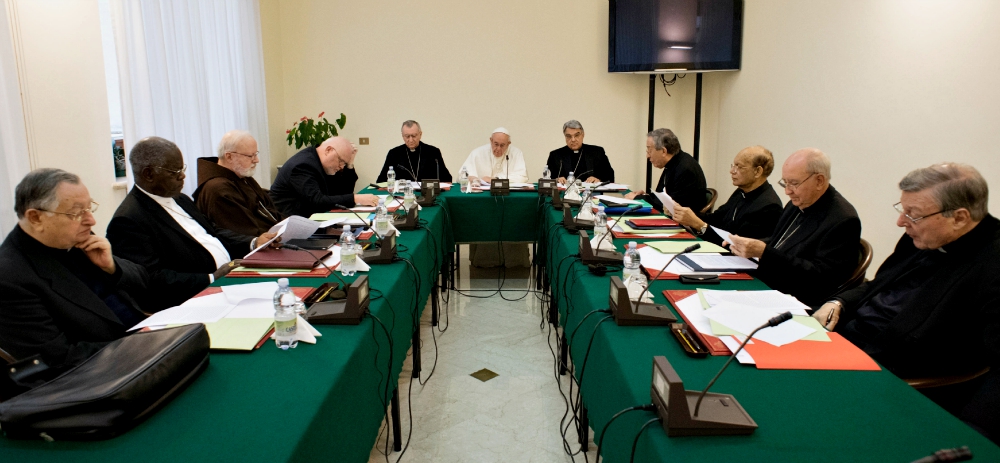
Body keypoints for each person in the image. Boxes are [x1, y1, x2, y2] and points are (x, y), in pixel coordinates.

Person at [812, 163, 1000, 443]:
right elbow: (878, 284)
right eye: (902, 209)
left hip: (891, 380)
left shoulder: (992, 265)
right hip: (841, 345)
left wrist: (974, 438)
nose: (901, 222)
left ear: (959, 218)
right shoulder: (923, 235)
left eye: (913, 214)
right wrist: (838, 301)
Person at [0, 169, 148, 397]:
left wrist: (112, 267)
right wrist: (141, 346)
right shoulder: (10, 277)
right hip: (105, 379)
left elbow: (145, 283)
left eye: (90, 207)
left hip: (144, 338)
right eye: (77, 213)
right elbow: (59, 359)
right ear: (35, 217)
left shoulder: (75, 238)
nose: (91, 220)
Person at [107, 137, 276, 313]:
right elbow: (151, 279)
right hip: (194, 299)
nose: (182, 176)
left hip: (228, 281)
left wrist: (254, 242)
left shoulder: (180, 198)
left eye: (182, 168)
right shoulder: (129, 220)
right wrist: (210, 278)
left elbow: (213, 232)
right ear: (148, 174)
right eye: (174, 171)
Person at [727, 148, 861, 305]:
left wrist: (765, 252)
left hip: (795, 298)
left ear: (819, 181)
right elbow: (781, 241)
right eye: (785, 182)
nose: (787, 191)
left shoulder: (843, 220)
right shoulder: (796, 203)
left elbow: (820, 277)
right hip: (767, 281)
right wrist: (748, 245)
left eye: (794, 183)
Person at [671, 145, 782, 246]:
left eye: (739, 167)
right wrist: (683, 213)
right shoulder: (741, 191)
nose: (732, 171)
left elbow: (737, 246)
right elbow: (716, 218)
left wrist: (699, 225)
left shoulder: (769, 206)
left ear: (757, 171)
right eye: (733, 165)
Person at [194, 130, 283, 236]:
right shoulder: (218, 189)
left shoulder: (241, 176)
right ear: (229, 156)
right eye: (250, 156)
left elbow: (267, 207)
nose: (256, 160)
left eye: (256, 154)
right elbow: (245, 232)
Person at [269, 136, 379, 217]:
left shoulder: (322, 163)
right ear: (328, 150)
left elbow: (343, 192)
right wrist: (356, 198)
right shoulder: (303, 165)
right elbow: (317, 201)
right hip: (292, 226)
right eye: (341, 161)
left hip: (312, 219)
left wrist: (349, 164)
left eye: (344, 164)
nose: (341, 167)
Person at [625, 128, 708, 212]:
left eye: (650, 150)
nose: (647, 156)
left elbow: (671, 205)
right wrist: (646, 196)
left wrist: (639, 198)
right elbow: (663, 196)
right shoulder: (674, 163)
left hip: (681, 223)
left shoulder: (685, 169)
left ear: (664, 151)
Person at [376, 120, 452, 182]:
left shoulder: (433, 152)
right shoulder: (394, 154)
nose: (411, 140)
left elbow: (447, 179)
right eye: (407, 136)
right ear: (402, 136)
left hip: (428, 195)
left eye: (414, 136)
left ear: (420, 134)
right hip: (402, 195)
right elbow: (381, 181)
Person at [545, 120, 614, 183]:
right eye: (568, 136)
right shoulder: (555, 155)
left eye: (577, 135)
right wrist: (556, 180)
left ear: (583, 135)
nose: (573, 139)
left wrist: (599, 180)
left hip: (592, 193)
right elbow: (547, 180)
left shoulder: (597, 152)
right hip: (564, 194)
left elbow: (610, 176)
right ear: (565, 137)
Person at [461, 127, 529, 184]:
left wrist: (496, 179)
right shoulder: (477, 153)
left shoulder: (516, 153)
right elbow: (461, 175)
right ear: (491, 140)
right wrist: (472, 178)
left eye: (502, 145)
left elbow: (523, 177)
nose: (498, 148)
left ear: (508, 144)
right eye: (496, 144)